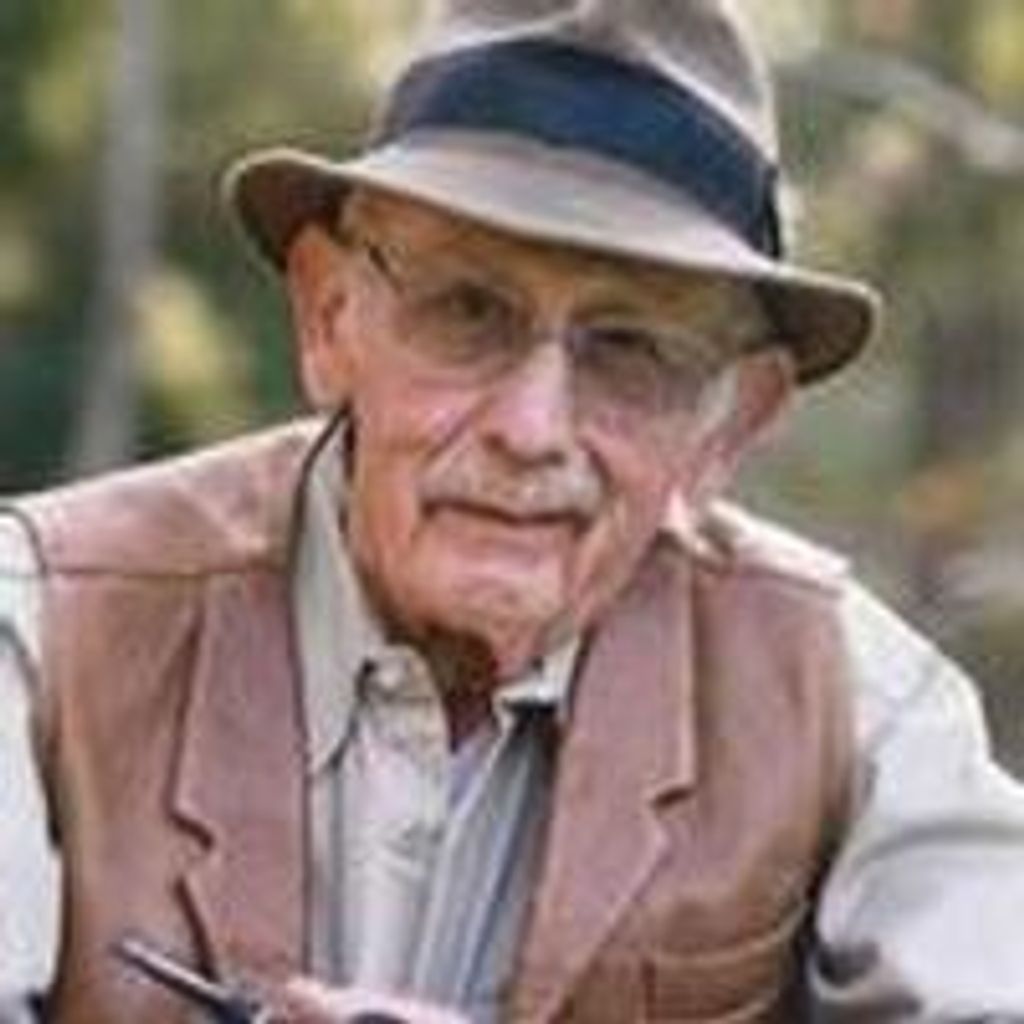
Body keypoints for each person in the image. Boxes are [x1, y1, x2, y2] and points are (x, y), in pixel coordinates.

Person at [3, 1, 1024, 1021]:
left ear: (731, 422)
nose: (532, 430)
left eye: (631, 349)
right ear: (329, 315)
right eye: (467, 310)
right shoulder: (46, 628)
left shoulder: (854, 708)